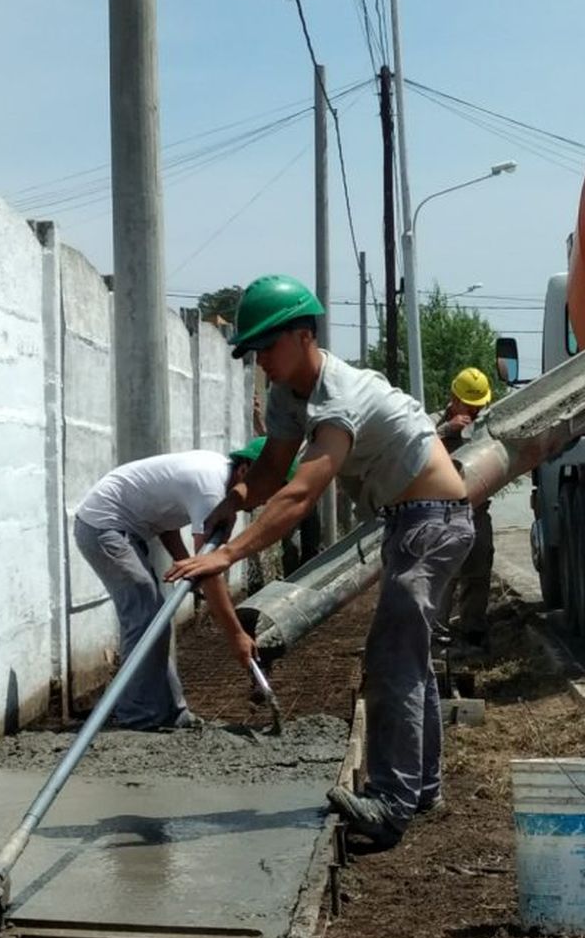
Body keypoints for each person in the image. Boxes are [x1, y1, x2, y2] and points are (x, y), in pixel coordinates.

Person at [167, 274, 474, 848]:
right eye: (253, 352)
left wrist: (229, 556)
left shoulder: (339, 396)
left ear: (305, 335)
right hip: (412, 521)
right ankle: (421, 787)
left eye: (268, 347)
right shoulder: (289, 397)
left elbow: (304, 491)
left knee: (390, 660)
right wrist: (233, 504)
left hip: (434, 521)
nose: (262, 363)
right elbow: (271, 473)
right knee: (408, 658)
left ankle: (389, 803)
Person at [73, 442, 270, 731]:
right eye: (268, 488)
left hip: (121, 527)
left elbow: (165, 521)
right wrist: (236, 636)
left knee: (154, 617)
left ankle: (168, 712)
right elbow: (212, 570)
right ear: (244, 470)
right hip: (103, 526)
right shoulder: (210, 490)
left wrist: (186, 563)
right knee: (147, 617)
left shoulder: (215, 474)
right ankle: (136, 713)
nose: (265, 500)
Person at [434, 367, 496, 650]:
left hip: (477, 512)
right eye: (469, 406)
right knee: (442, 575)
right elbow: (416, 445)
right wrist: (448, 430)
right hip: (440, 515)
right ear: (454, 400)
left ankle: (473, 630)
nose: (473, 412)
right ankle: (436, 632)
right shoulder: (433, 423)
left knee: (479, 569)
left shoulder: (486, 423)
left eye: (478, 406)